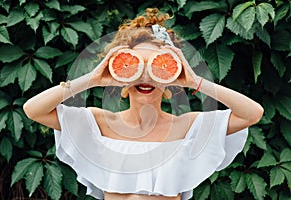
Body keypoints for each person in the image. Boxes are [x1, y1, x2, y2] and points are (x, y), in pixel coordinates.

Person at [23, 8, 264, 200]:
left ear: (170, 77)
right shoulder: (100, 123)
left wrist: (195, 81)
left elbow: (252, 114)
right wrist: (93, 79)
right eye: (135, 65)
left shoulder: (188, 126)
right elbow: (33, 109)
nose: (145, 75)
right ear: (121, 74)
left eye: (156, 66)